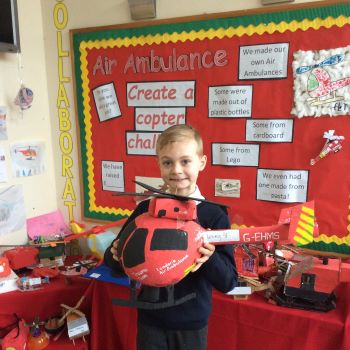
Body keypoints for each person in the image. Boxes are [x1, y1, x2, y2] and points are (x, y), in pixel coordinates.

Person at [104, 124, 237, 350]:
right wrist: (116, 254)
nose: (176, 170)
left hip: (191, 325)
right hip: (150, 321)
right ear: (159, 164)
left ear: (201, 162)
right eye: (167, 162)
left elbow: (228, 282)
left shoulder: (214, 215)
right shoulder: (145, 210)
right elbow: (113, 263)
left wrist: (210, 257)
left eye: (185, 161)